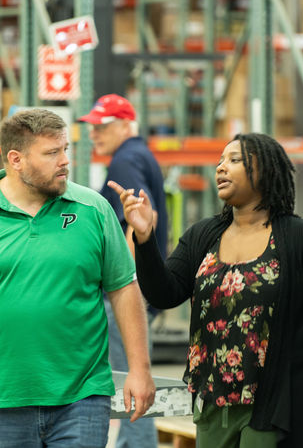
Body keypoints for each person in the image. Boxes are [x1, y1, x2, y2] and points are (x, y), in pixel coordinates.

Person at [109, 133, 303, 448]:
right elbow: (165, 293)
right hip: (214, 403)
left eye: (234, 160)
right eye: (220, 161)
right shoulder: (204, 235)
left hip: (283, 405)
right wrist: (145, 238)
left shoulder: (302, 239)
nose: (221, 167)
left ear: (265, 170)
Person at [0, 108, 156, 447]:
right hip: (6, 397)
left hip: (81, 398)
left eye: (65, 149)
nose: (64, 161)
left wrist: (140, 369)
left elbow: (124, 287)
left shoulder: (92, 209)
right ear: (16, 159)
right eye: (51, 153)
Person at [79, 93, 167, 447]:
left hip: (125, 292)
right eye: (92, 128)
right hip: (138, 287)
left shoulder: (125, 160)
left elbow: (143, 217)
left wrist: (126, 284)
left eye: (103, 127)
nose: (94, 135)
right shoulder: (139, 154)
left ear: (126, 126)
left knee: (131, 383)